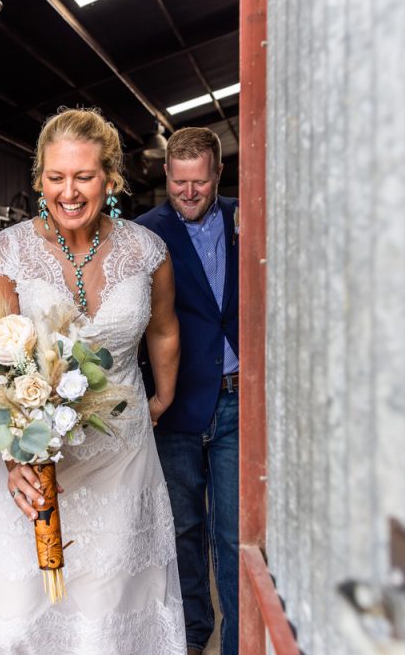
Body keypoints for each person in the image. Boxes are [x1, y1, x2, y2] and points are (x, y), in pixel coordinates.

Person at [0, 108, 186, 653]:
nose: (68, 191)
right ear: (40, 178)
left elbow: (163, 329)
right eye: (55, 177)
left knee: (104, 606)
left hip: (121, 456)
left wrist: (162, 395)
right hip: (26, 466)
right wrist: (17, 455)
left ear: (111, 178)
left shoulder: (147, 251)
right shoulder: (9, 253)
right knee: (20, 611)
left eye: (84, 176)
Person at [137, 127, 240, 654]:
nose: (189, 193)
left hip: (237, 398)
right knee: (182, 527)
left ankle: (241, 642)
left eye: (200, 182)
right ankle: (193, 631)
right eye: (180, 183)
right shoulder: (143, 234)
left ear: (219, 175)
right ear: (166, 176)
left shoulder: (248, 219)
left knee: (234, 531)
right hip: (174, 403)